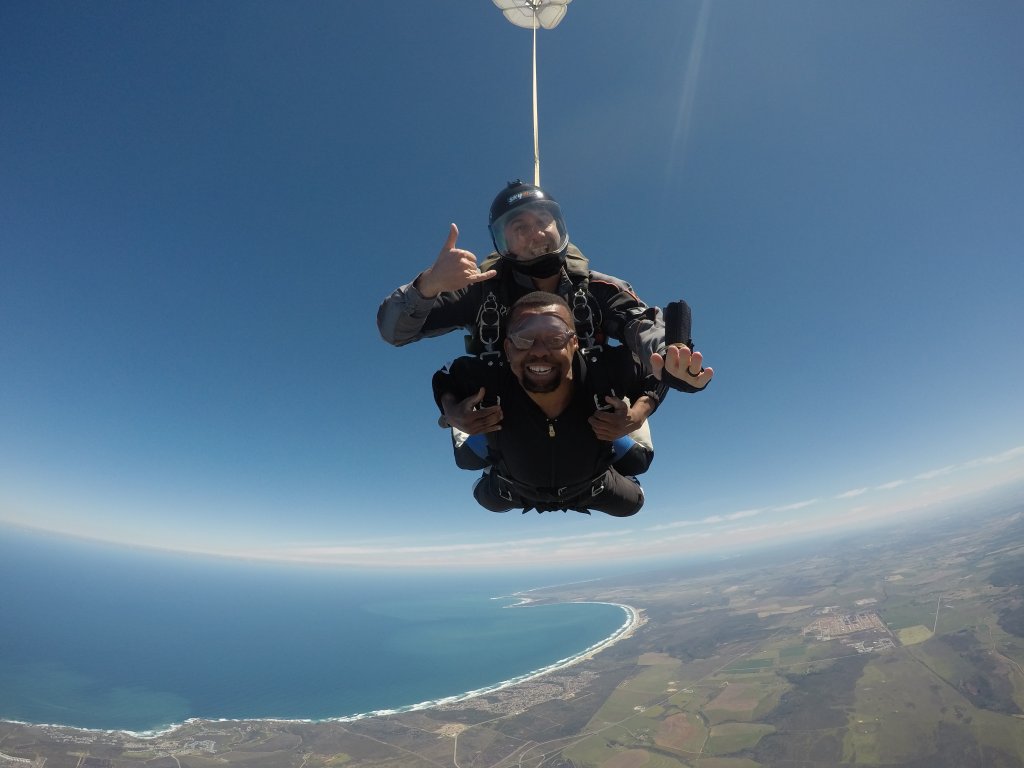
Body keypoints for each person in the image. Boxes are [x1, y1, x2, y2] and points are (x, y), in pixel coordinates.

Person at [378, 180, 713, 457]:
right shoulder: (479, 292)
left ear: (559, 226)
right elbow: (395, 331)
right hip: (506, 405)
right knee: (470, 459)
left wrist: (670, 359)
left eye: (542, 222)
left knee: (636, 460)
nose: (534, 233)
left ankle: (618, 443)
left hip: (584, 402)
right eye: (519, 227)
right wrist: (428, 285)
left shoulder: (596, 289)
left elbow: (640, 324)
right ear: (502, 240)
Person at [433, 292, 657, 516]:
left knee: (637, 471)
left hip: (590, 486)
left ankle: (620, 414)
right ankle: (483, 446)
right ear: (508, 347)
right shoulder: (492, 374)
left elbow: (654, 372)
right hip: (512, 487)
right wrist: (453, 412)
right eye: (524, 338)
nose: (539, 351)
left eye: (555, 337)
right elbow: (446, 377)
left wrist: (636, 415)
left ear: (574, 343)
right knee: (466, 462)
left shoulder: (601, 369)